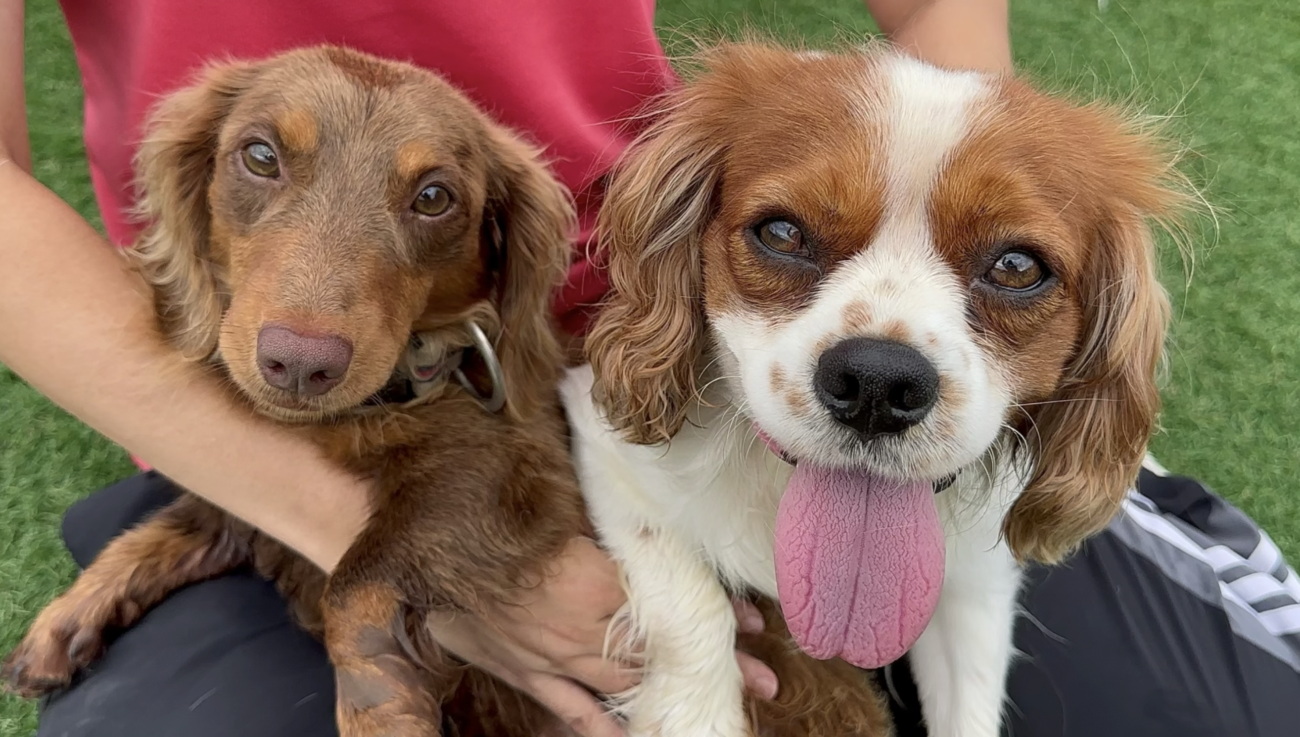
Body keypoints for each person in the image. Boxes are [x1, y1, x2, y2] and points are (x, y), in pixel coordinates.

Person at [0, 0, 1010, 735]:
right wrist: (378, 557)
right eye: (263, 161)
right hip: (214, 428)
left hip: (649, 340)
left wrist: (967, 254)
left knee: (1137, 698)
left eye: (432, 199)